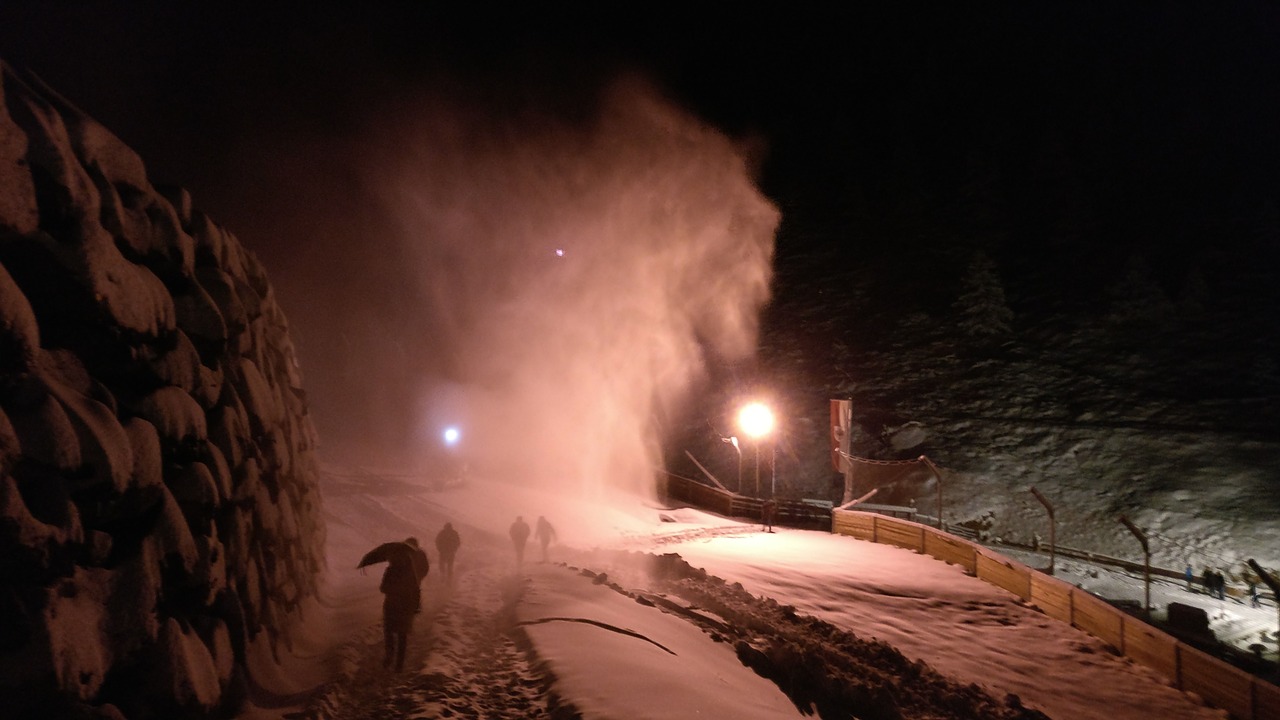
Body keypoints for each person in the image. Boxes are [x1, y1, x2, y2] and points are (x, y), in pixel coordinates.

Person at [379, 542, 425, 671]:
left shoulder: (390, 570)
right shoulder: (410, 571)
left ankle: (389, 657)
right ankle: (399, 664)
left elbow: (383, 588)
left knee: (388, 632)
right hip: (406, 606)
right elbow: (416, 590)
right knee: (402, 634)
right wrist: (416, 606)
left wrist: (392, 590)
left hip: (391, 605)